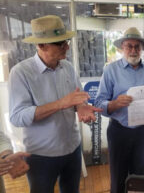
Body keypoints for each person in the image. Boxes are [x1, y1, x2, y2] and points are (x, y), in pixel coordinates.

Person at [9, 15, 102, 193]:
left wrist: (81, 107)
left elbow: (78, 98)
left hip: (72, 149)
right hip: (41, 155)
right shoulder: (20, 73)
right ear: (41, 45)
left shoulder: (67, 67)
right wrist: (60, 103)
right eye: (60, 43)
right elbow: (17, 116)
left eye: (65, 41)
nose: (67, 46)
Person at [94, 27, 144, 193]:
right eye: (129, 46)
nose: (133, 50)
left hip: (143, 132)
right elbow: (99, 103)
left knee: (139, 178)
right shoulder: (110, 70)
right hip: (119, 131)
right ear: (122, 48)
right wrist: (115, 104)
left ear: (142, 48)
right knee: (118, 178)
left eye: (137, 46)